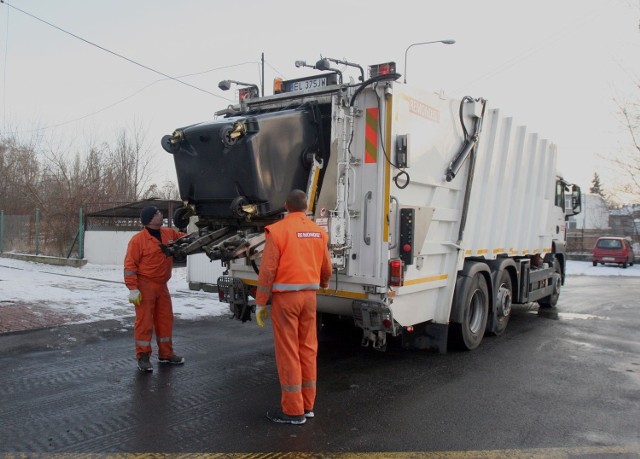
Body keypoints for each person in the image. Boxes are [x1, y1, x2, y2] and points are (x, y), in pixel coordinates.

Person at [255, 189, 333, 425]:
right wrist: (324, 284)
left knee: (288, 351)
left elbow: (268, 270)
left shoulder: (278, 231)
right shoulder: (319, 233)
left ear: (286, 206)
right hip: (309, 298)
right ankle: (307, 406)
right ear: (306, 206)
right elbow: (326, 267)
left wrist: (260, 302)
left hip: (285, 300)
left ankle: (292, 411)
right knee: (308, 349)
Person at [124, 205, 187, 372]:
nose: (161, 214)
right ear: (150, 219)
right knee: (144, 322)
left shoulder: (168, 233)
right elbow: (130, 266)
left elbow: (184, 238)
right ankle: (143, 357)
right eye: (158, 213)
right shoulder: (138, 240)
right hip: (145, 286)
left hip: (162, 285)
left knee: (165, 319)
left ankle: (166, 353)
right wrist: (133, 288)